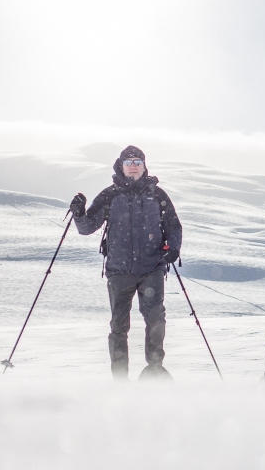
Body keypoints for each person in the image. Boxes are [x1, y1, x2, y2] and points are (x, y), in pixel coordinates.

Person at [69, 145, 182, 380]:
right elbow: (87, 228)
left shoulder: (157, 195)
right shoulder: (110, 195)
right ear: (120, 166)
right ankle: (120, 379)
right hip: (119, 272)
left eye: (138, 162)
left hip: (152, 268)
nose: (133, 166)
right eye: (128, 162)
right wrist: (79, 212)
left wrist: (173, 248)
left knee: (155, 319)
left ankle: (155, 370)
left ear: (144, 166)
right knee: (119, 326)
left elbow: (173, 226)